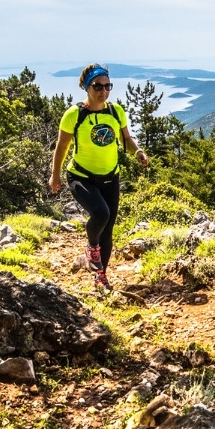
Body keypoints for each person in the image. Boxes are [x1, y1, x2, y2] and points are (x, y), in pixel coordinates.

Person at [49, 64, 148, 290]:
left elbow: (126, 139)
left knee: (109, 229)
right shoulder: (74, 115)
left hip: (110, 177)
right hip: (81, 176)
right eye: (97, 86)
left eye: (107, 86)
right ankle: (91, 247)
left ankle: (101, 276)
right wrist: (55, 175)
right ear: (87, 87)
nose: (103, 91)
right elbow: (61, 147)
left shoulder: (115, 112)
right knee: (100, 213)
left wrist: (138, 152)